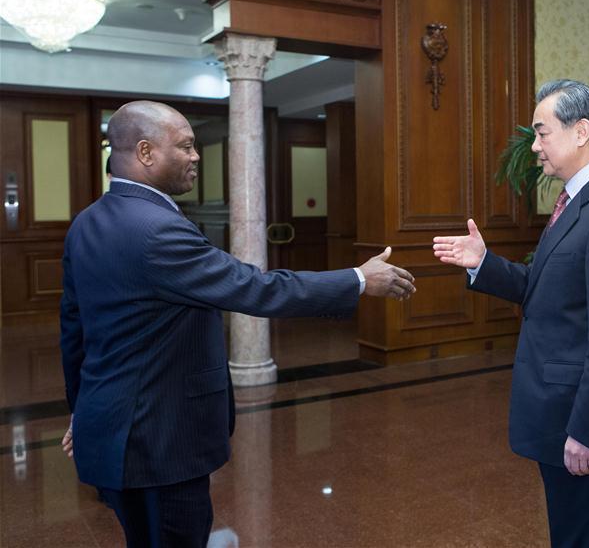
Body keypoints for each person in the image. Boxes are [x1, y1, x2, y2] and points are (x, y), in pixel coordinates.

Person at [60, 100, 416, 548]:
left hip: (113, 434)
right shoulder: (157, 230)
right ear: (146, 152)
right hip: (159, 445)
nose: (196, 156)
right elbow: (257, 288)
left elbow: (74, 331)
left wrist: (82, 411)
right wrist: (360, 280)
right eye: (186, 146)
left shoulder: (87, 223)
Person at [433, 80, 589, 547]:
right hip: (563, 412)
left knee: (580, 537)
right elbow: (549, 290)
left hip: (578, 421)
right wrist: (484, 264)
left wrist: (586, 431)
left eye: (541, 132)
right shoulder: (577, 199)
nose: (534, 146)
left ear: (581, 131)